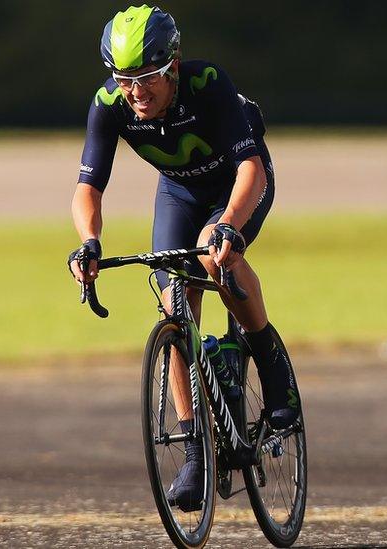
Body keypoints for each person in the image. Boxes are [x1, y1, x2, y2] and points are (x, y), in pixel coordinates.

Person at [67, 4, 300, 511]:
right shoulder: (109, 105)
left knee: (217, 260)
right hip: (180, 192)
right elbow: (89, 186)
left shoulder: (208, 83)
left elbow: (251, 170)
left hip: (239, 186)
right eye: (124, 78)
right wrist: (89, 242)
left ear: (172, 67)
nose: (136, 91)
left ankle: (271, 364)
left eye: (147, 77)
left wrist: (229, 227)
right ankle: (195, 449)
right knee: (174, 301)